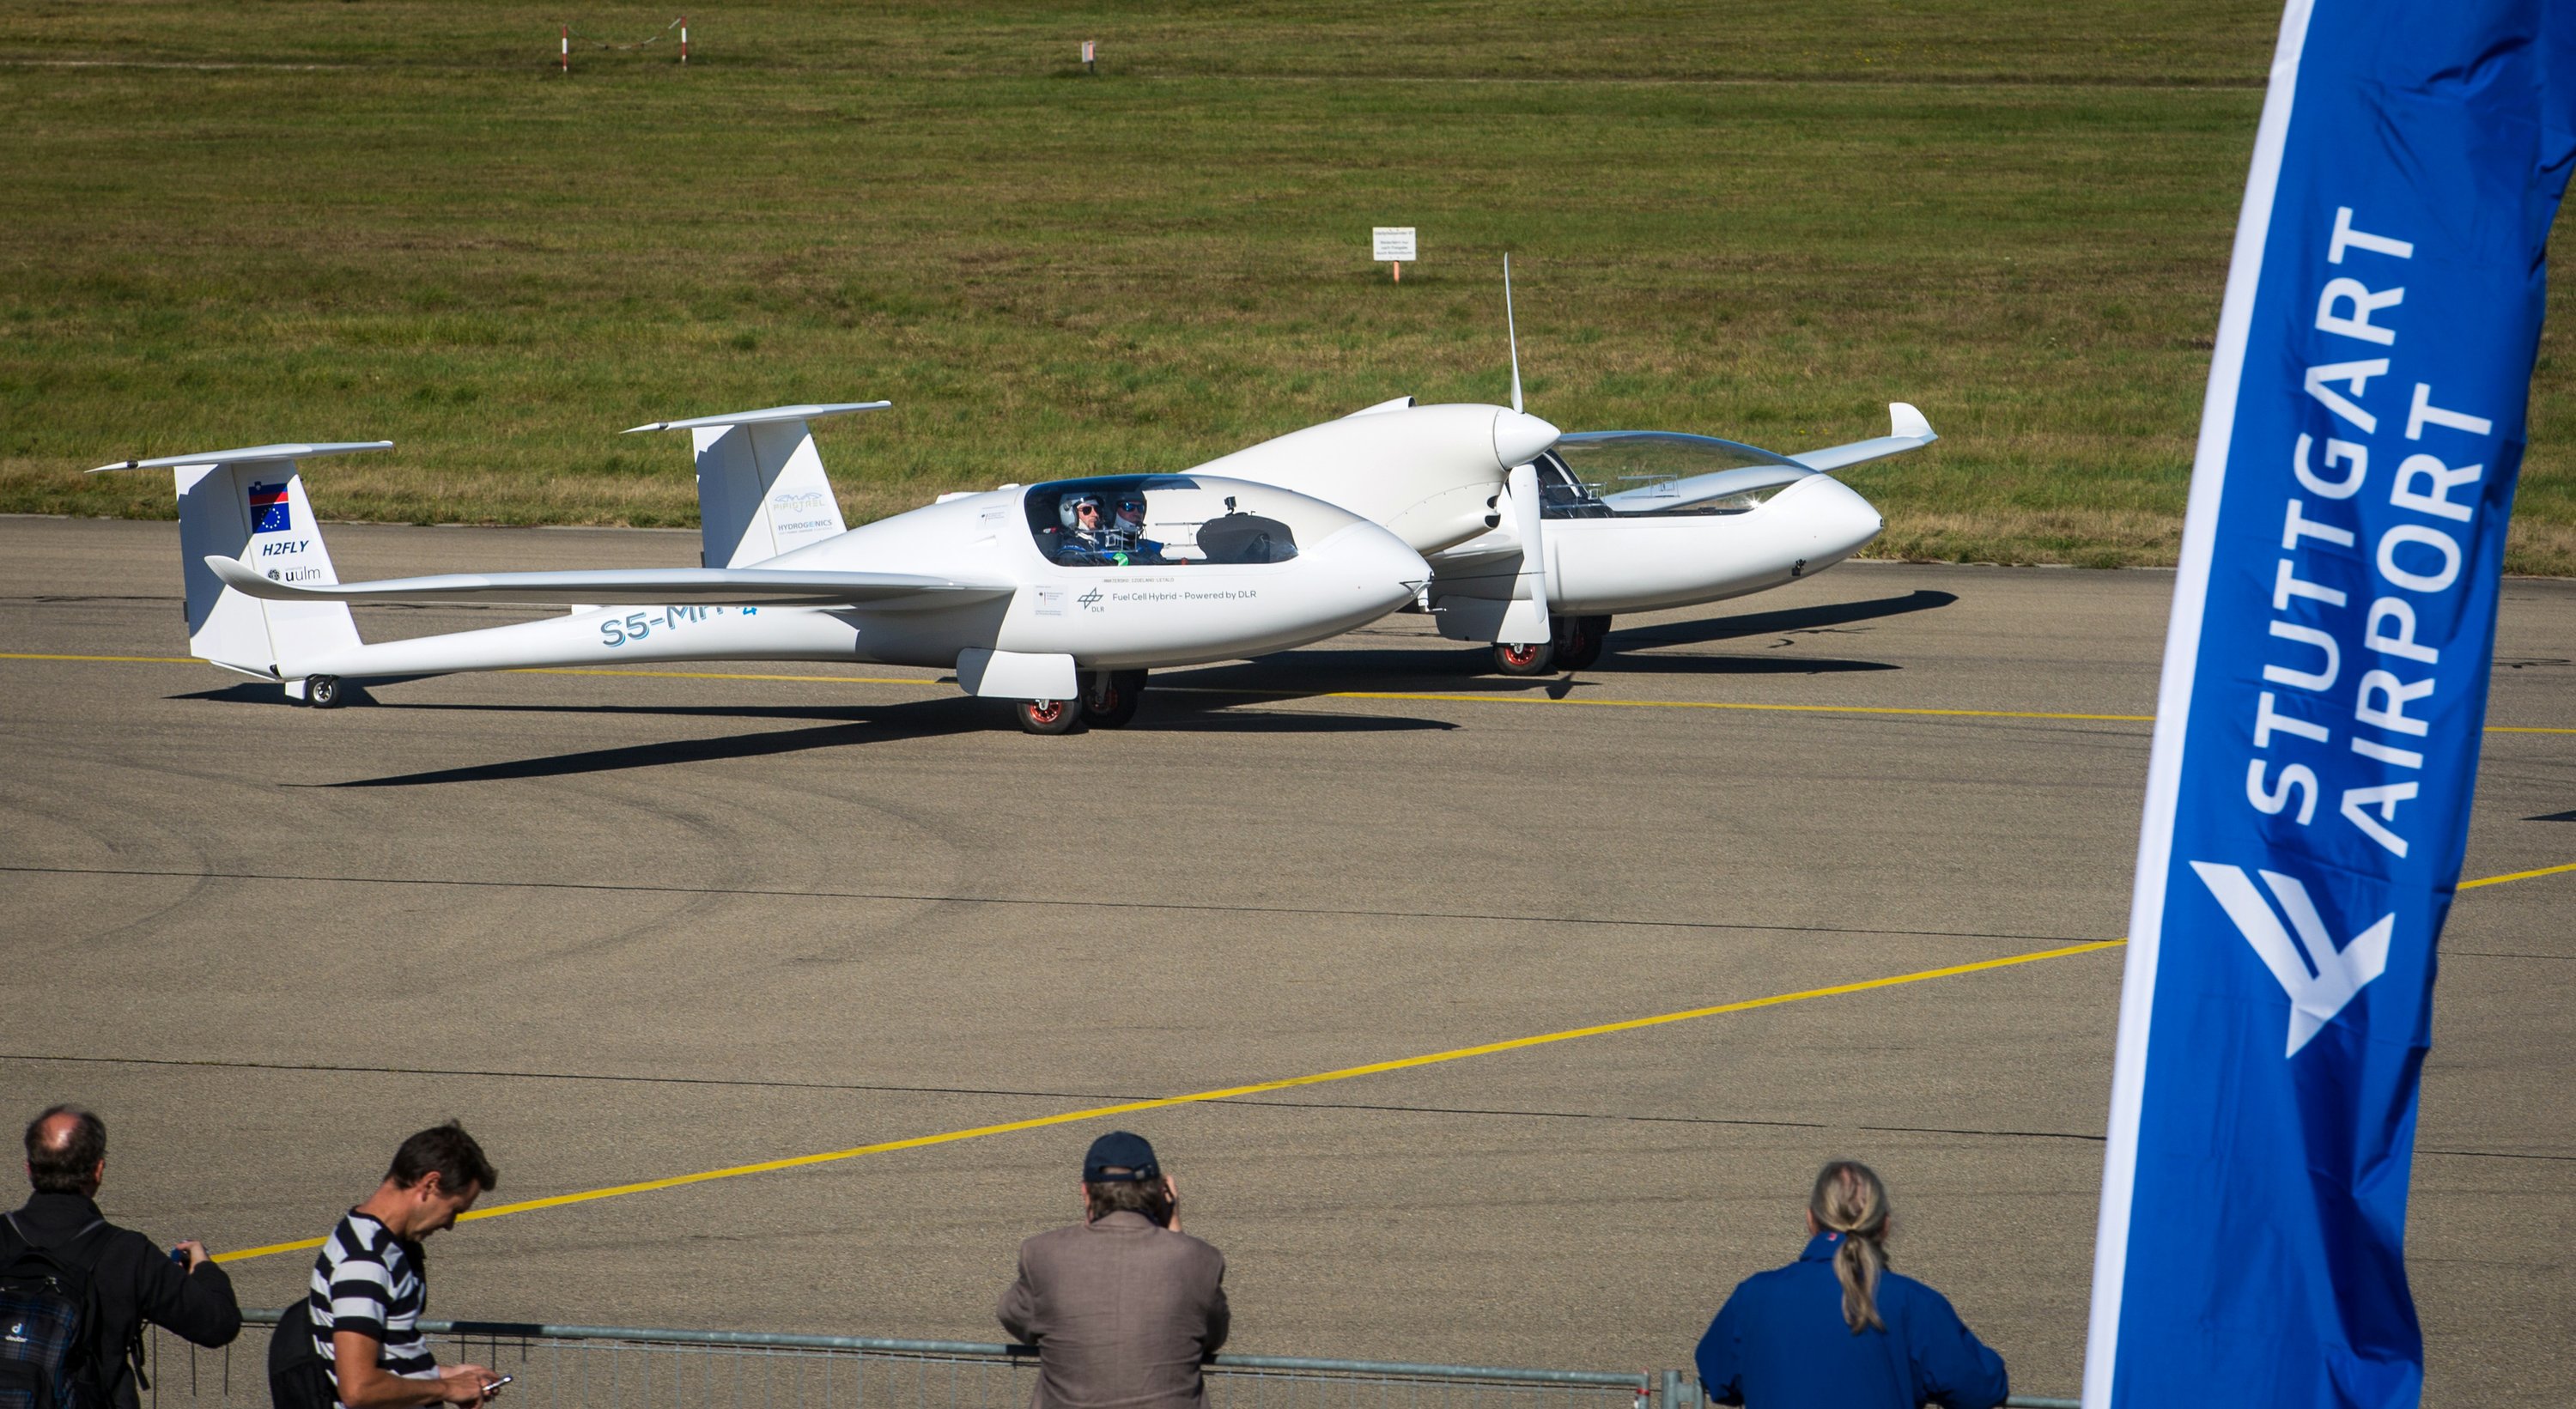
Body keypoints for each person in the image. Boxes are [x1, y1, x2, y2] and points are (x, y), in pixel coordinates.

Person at [1693, 1161, 2007, 1409]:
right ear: (1884, 1225)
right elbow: (1981, 1388)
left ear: (1811, 1221)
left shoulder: (1754, 1297)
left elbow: (1719, 1378)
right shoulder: (1913, 1303)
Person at [2, 1105, 242, 1409]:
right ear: (98, 1171)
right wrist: (205, 1268)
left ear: (29, 1169)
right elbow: (218, 1324)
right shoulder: (126, 1253)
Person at [998, 1132, 1228, 1409]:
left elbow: (1012, 1316)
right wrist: (1176, 1232)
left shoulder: (1043, 1255)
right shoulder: (1199, 1259)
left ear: (1085, 1191)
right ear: (1159, 1194)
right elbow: (1213, 1335)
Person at [300, 1124, 503, 1409]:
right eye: (454, 1210)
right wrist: (445, 1388)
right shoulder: (365, 1261)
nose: (450, 1225)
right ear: (430, 1184)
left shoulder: (374, 1242)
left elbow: (386, 1356)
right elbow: (359, 1388)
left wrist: (448, 1375)